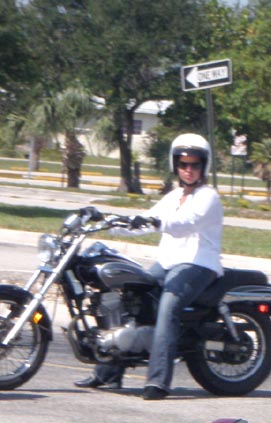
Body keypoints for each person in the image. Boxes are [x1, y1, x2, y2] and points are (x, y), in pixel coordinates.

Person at [75, 133, 223, 400]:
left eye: (195, 164)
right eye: (183, 164)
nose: (188, 169)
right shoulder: (174, 196)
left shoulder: (208, 197)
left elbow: (186, 223)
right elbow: (146, 219)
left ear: (204, 165)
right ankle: (108, 373)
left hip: (199, 264)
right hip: (168, 263)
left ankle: (158, 381)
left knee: (168, 307)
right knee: (128, 296)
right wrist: (111, 223)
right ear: (175, 165)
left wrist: (157, 223)